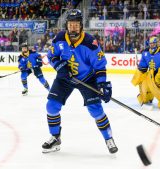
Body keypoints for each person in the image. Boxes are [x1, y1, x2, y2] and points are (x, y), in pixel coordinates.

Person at [42, 9, 118, 154]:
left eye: (76, 25)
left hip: (87, 79)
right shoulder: (59, 38)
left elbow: (100, 67)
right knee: (51, 106)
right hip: (65, 78)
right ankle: (55, 137)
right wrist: (60, 67)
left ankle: (109, 138)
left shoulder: (90, 43)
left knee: (96, 110)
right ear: (67, 25)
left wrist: (102, 84)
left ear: (81, 25)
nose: (73, 28)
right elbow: (51, 56)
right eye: (71, 25)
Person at [131, 36, 160, 109]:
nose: (151, 45)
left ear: (157, 43)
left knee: (156, 81)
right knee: (143, 82)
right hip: (152, 73)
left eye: (153, 43)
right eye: (150, 44)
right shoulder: (146, 52)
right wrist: (139, 71)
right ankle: (146, 98)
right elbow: (143, 66)